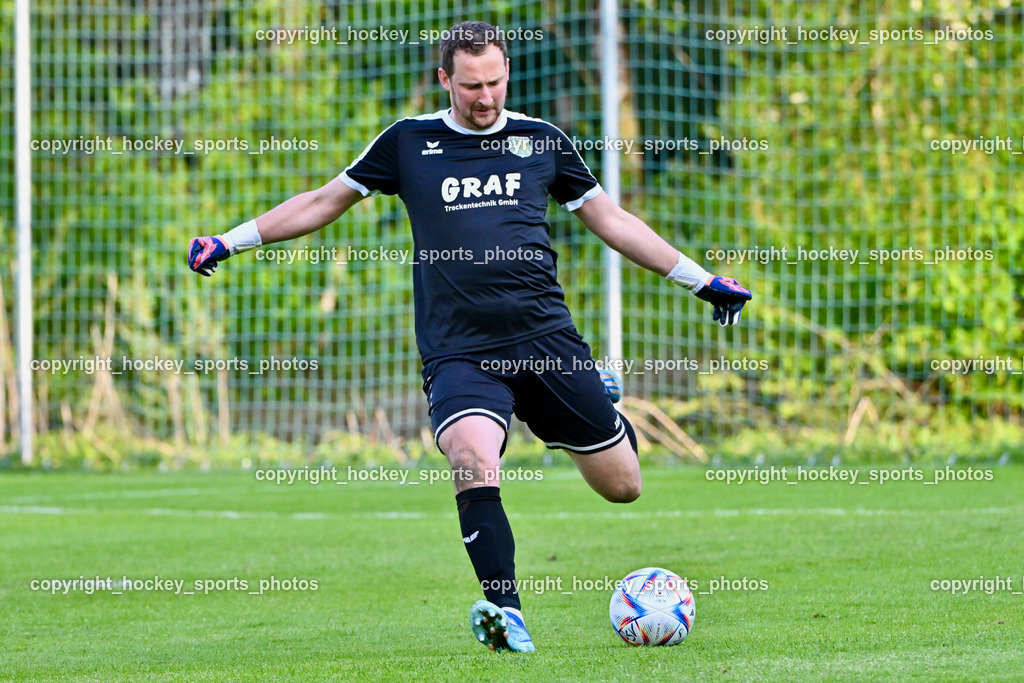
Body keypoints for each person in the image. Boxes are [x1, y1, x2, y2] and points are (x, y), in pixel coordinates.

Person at [187, 20, 751, 653]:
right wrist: (230, 240)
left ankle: (599, 401)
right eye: (471, 86)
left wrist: (700, 280)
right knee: (472, 461)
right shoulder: (408, 142)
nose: (485, 98)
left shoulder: (542, 140)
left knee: (624, 487)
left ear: (508, 72)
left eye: (495, 83)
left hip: (545, 340)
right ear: (444, 79)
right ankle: (507, 614)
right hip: (460, 349)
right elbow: (322, 202)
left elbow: (612, 221)